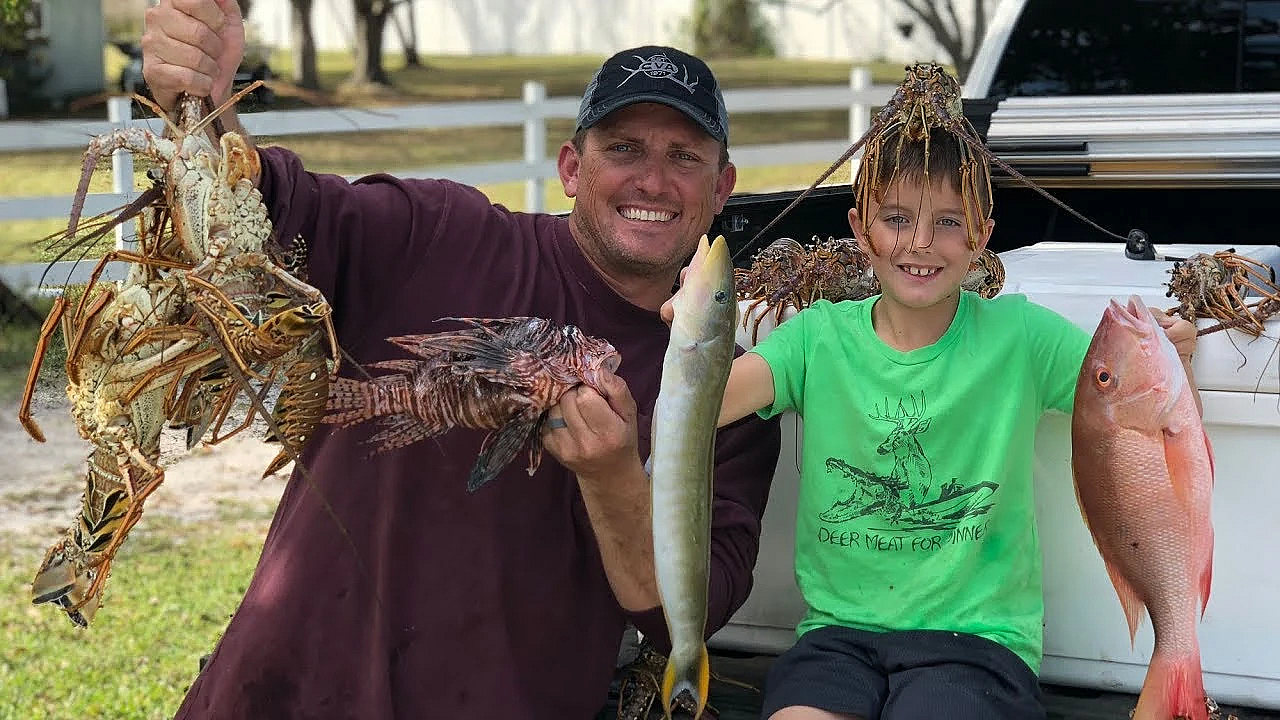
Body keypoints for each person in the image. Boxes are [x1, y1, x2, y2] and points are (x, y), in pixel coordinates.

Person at [140, 1, 782, 718]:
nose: (653, 182)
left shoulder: (732, 392)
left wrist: (612, 478)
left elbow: (690, 619)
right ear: (572, 167)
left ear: (721, 189)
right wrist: (201, 100)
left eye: (685, 157)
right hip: (279, 696)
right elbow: (271, 214)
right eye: (624, 148)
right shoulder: (441, 233)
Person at [665, 120, 1200, 719]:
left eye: (948, 223)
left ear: (982, 237)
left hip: (977, 645)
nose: (920, 242)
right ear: (858, 229)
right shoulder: (815, 337)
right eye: (895, 219)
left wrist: (1171, 349)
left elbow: (1125, 394)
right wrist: (693, 330)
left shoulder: (1022, 336)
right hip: (836, 640)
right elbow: (701, 405)